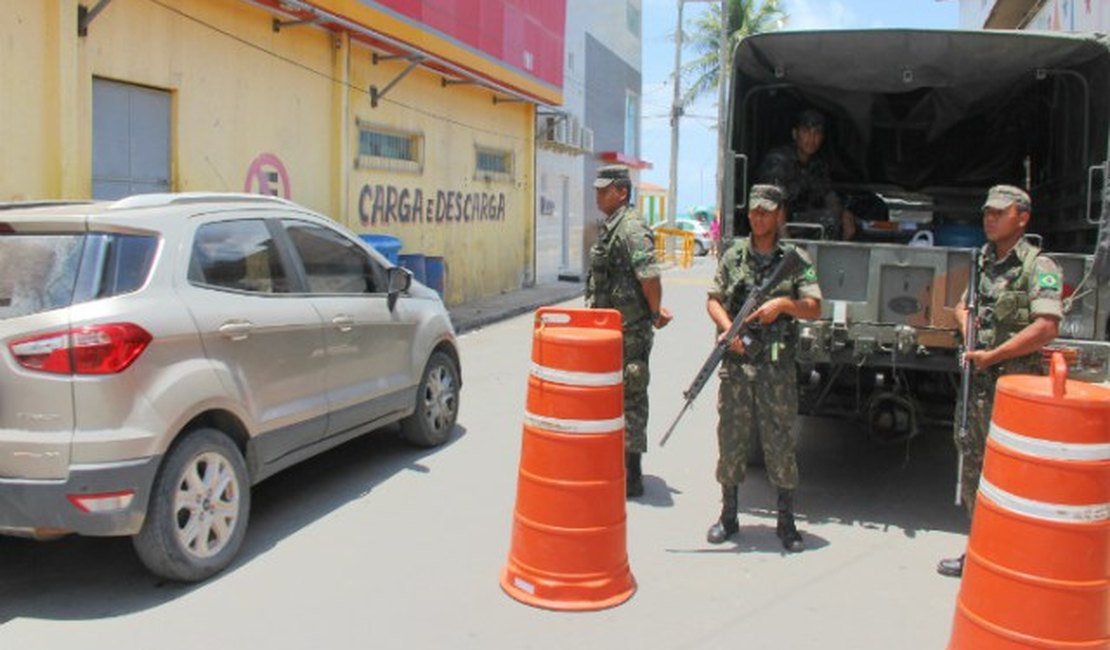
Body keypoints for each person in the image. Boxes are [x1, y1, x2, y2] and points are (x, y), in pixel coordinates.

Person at [937, 184, 1062, 578]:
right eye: (987, 212)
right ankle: (980, 551)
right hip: (979, 386)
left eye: (999, 212)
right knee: (975, 467)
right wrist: (965, 323)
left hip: (1015, 389)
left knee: (1016, 474)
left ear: (1022, 218)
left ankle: (1018, 557)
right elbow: (961, 305)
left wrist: (995, 355)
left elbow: (1046, 327)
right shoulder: (983, 261)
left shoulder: (1038, 267)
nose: (989, 219)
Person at [705, 184, 822, 551]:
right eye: (754, 210)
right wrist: (729, 330)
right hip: (738, 366)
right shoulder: (733, 256)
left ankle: (786, 523)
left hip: (777, 368)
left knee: (780, 442)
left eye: (766, 211)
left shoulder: (795, 259)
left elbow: (815, 307)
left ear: (780, 215)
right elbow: (713, 300)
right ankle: (729, 516)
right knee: (732, 440)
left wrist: (784, 305)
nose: (758, 217)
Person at [586, 164, 673, 498]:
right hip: (609, 329)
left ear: (622, 192)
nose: (598, 194)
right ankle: (613, 465)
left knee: (631, 395)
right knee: (610, 397)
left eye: (604, 189)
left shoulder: (631, 228)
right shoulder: (614, 226)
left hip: (628, 331)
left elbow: (649, 276)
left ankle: (631, 474)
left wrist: (654, 312)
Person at [757, 108, 857, 241]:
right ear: (795, 134)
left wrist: (844, 214)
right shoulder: (778, 162)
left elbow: (828, 196)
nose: (812, 138)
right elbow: (773, 205)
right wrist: (786, 243)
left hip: (804, 223)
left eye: (817, 133)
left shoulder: (817, 165)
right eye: (806, 131)